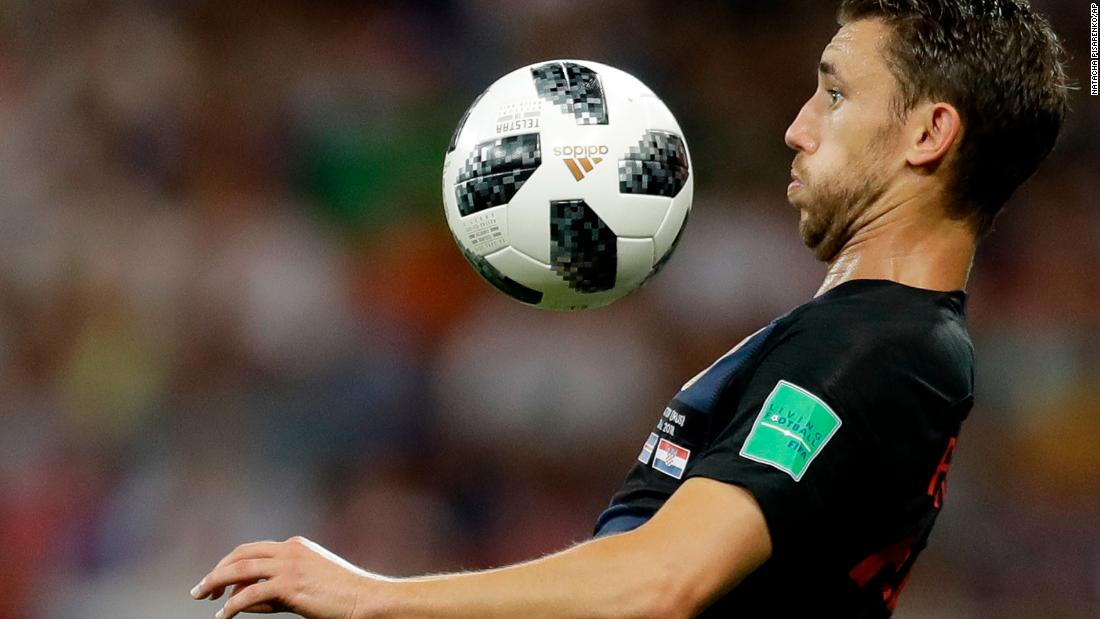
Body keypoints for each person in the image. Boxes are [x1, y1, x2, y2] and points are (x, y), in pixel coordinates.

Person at [190, 1, 1069, 617]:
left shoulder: (878, 348)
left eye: (834, 93)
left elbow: (663, 580)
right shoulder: (871, 336)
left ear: (928, 134)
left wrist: (372, 595)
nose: (797, 127)